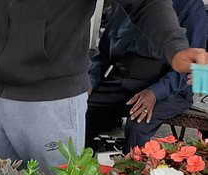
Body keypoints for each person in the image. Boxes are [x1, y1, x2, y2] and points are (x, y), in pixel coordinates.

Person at [0, 0, 208, 170]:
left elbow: (146, 4)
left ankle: (132, 169)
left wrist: (174, 49)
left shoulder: (193, 9)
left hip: (52, 100)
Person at [86, 0, 208, 153]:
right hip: (121, 81)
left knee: (138, 125)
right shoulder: (130, 4)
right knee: (82, 107)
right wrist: (89, 81)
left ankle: (130, 174)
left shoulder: (191, 7)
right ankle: (81, 167)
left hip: (169, 88)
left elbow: (189, 67)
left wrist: (155, 92)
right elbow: (102, 56)